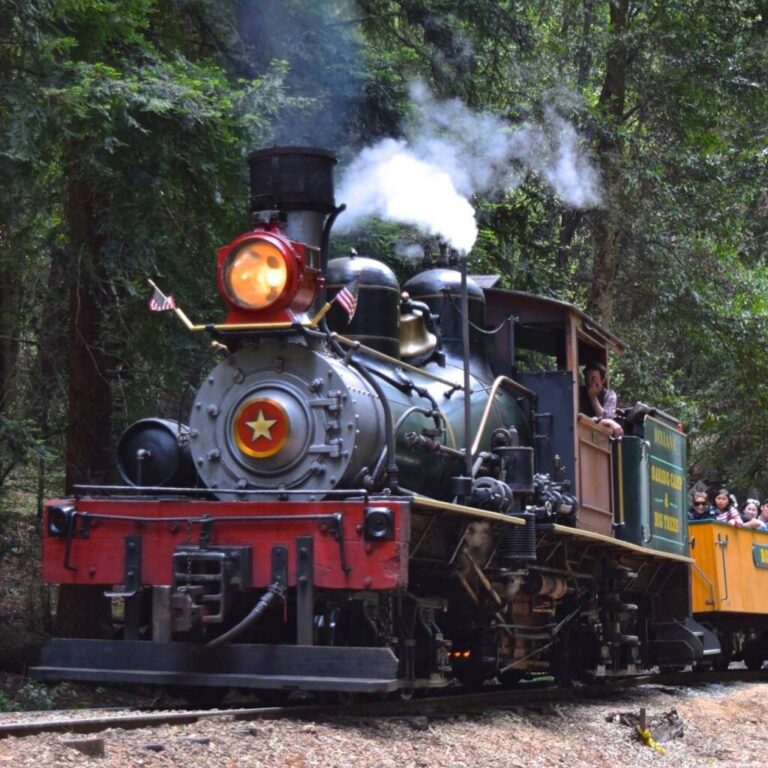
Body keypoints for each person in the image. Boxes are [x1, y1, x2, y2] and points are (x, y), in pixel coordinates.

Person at [580, 361, 623, 438]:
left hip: (601, 436)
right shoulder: (579, 392)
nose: (589, 382)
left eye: (593, 378)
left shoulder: (609, 395)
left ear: (603, 380)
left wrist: (592, 397)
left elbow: (606, 419)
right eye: (587, 378)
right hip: (582, 432)